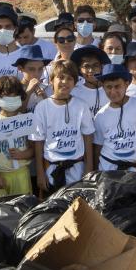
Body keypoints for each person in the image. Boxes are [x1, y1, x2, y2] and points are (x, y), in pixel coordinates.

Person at [31, 60, 94, 193]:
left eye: (70, 79)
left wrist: (88, 169)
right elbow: (38, 142)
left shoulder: (81, 106)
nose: (65, 82)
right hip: (52, 170)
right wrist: (40, 173)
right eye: (60, 77)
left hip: (77, 169)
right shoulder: (42, 107)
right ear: (51, 80)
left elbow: (88, 139)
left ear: (75, 83)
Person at [92, 64, 136, 173]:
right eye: (109, 87)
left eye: (117, 86)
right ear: (103, 87)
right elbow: (97, 148)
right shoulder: (100, 115)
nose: (113, 91)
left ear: (127, 84)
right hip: (108, 169)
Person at [0, 74, 35, 199]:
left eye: (14, 95)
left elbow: (34, 148)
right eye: (6, 95)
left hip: (21, 174)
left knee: (22, 210)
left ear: (20, 97)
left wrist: (23, 155)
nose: (11, 98)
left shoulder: (25, 119)